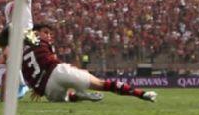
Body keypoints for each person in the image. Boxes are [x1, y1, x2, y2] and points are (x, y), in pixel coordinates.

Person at [16, 18, 156, 104]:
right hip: (57, 72)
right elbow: (51, 63)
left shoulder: (23, 54)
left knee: (66, 98)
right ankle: (141, 94)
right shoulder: (41, 43)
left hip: (48, 91)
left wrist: (39, 88)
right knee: (102, 84)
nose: (48, 35)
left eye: (50, 33)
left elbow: (30, 76)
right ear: (35, 33)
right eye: (45, 32)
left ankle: (79, 95)